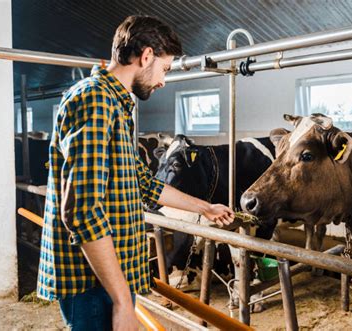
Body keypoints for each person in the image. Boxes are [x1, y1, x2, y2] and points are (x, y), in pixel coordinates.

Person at [37, 15, 234, 331]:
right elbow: (81, 211)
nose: (163, 81)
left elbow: (142, 183)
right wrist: (122, 302)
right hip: (94, 282)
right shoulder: (96, 100)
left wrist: (204, 207)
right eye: (165, 69)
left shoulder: (115, 106)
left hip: (110, 273)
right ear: (146, 56)